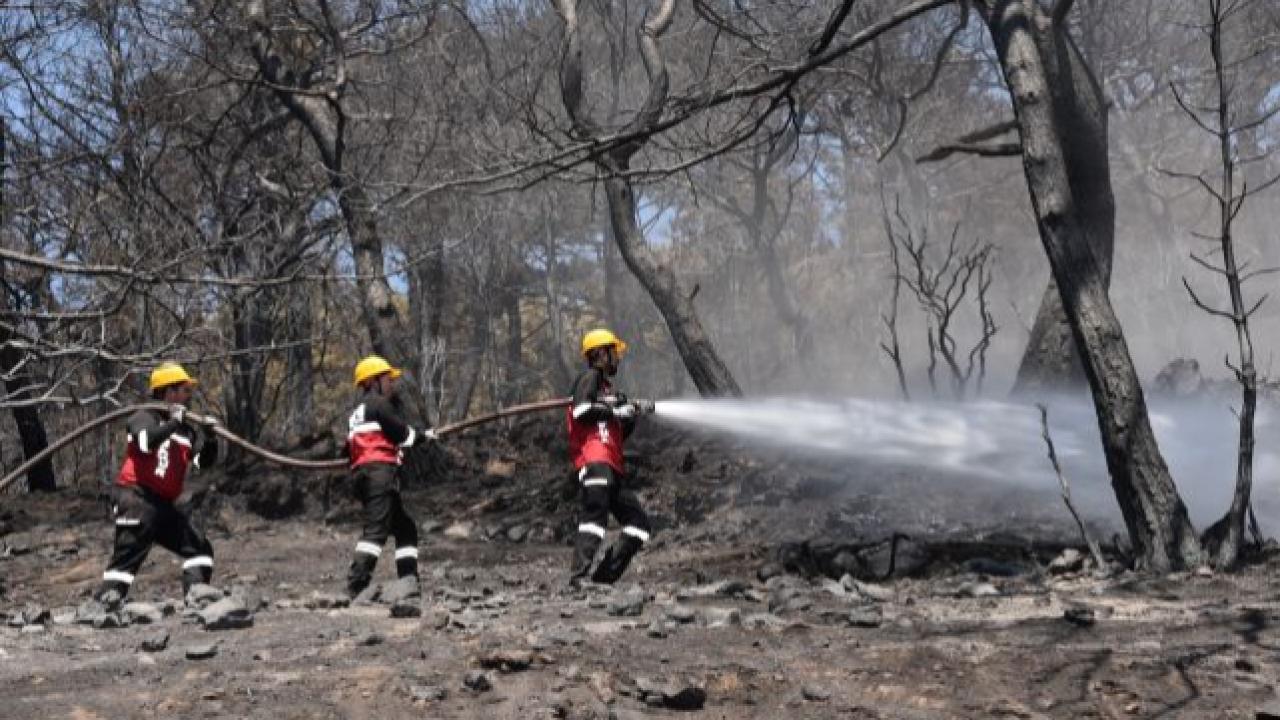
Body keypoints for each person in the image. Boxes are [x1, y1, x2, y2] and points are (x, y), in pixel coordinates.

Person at [92, 362, 220, 609]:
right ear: (168, 392)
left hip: (163, 505)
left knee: (199, 547)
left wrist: (210, 437)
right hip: (135, 499)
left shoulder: (186, 432)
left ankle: (198, 598)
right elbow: (144, 443)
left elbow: (203, 462)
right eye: (184, 390)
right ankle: (101, 609)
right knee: (126, 562)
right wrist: (171, 422)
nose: (188, 396)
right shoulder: (143, 416)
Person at [566, 329, 655, 586]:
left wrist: (632, 414)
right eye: (613, 352)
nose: (617, 358)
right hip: (594, 462)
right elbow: (582, 410)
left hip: (612, 465)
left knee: (638, 525)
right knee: (595, 519)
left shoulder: (607, 391)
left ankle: (602, 580)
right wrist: (616, 411)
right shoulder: (589, 378)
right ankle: (578, 577)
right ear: (600, 354)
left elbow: (616, 433)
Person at [344, 355, 434, 600]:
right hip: (379, 476)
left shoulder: (356, 414)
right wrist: (425, 436)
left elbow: (349, 449)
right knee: (375, 532)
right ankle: (356, 586)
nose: (391, 384)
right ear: (373, 381)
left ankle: (408, 580)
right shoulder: (380, 405)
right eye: (387, 379)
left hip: (365, 476)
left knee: (406, 529)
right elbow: (403, 435)